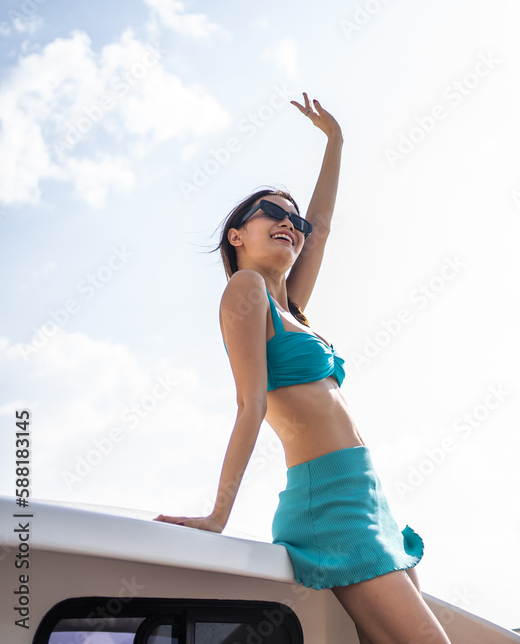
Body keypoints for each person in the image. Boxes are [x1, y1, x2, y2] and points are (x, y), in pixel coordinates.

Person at [155, 92, 451, 644]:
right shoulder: (246, 292)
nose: (290, 223)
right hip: (329, 503)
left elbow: (323, 224)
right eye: (272, 212)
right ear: (236, 235)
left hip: (369, 496)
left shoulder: (291, 307)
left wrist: (336, 141)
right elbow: (251, 403)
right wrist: (217, 515)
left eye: (294, 220)